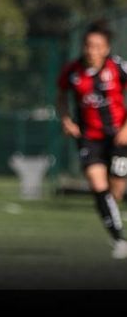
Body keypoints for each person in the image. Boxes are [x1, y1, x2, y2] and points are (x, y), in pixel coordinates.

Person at [57, 20, 127, 259]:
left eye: (97, 46)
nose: (91, 50)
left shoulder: (117, 67)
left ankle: (115, 218)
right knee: (98, 186)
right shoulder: (73, 71)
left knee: (116, 190)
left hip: (118, 137)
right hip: (89, 138)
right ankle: (119, 238)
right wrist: (66, 119)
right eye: (88, 45)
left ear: (106, 48)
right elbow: (61, 96)